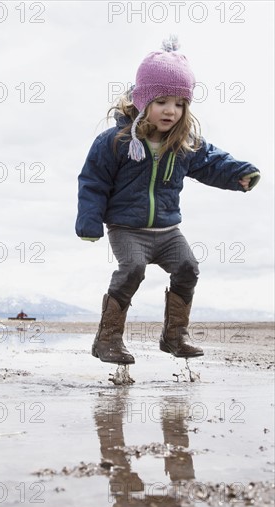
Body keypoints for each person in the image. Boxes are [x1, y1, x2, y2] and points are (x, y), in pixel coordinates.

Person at [75, 36, 260, 365]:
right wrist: (89, 220)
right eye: (162, 101)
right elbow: (93, 181)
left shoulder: (184, 143)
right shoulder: (116, 141)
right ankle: (108, 339)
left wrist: (238, 175)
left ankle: (174, 335)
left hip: (167, 230)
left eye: (179, 103)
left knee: (188, 267)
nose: (170, 110)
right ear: (143, 99)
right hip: (126, 228)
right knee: (132, 268)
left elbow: (213, 163)